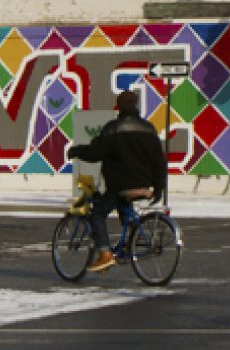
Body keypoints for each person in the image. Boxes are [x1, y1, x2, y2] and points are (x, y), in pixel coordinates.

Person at [67, 89, 166, 273]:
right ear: (135, 106)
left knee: (97, 214)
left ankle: (105, 254)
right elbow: (159, 161)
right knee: (124, 209)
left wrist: (76, 151)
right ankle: (131, 240)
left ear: (118, 107)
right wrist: (159, 186)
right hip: (143, 184)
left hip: (120, 185)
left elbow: (96, 152)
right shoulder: (149, 129)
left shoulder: (113, 129)